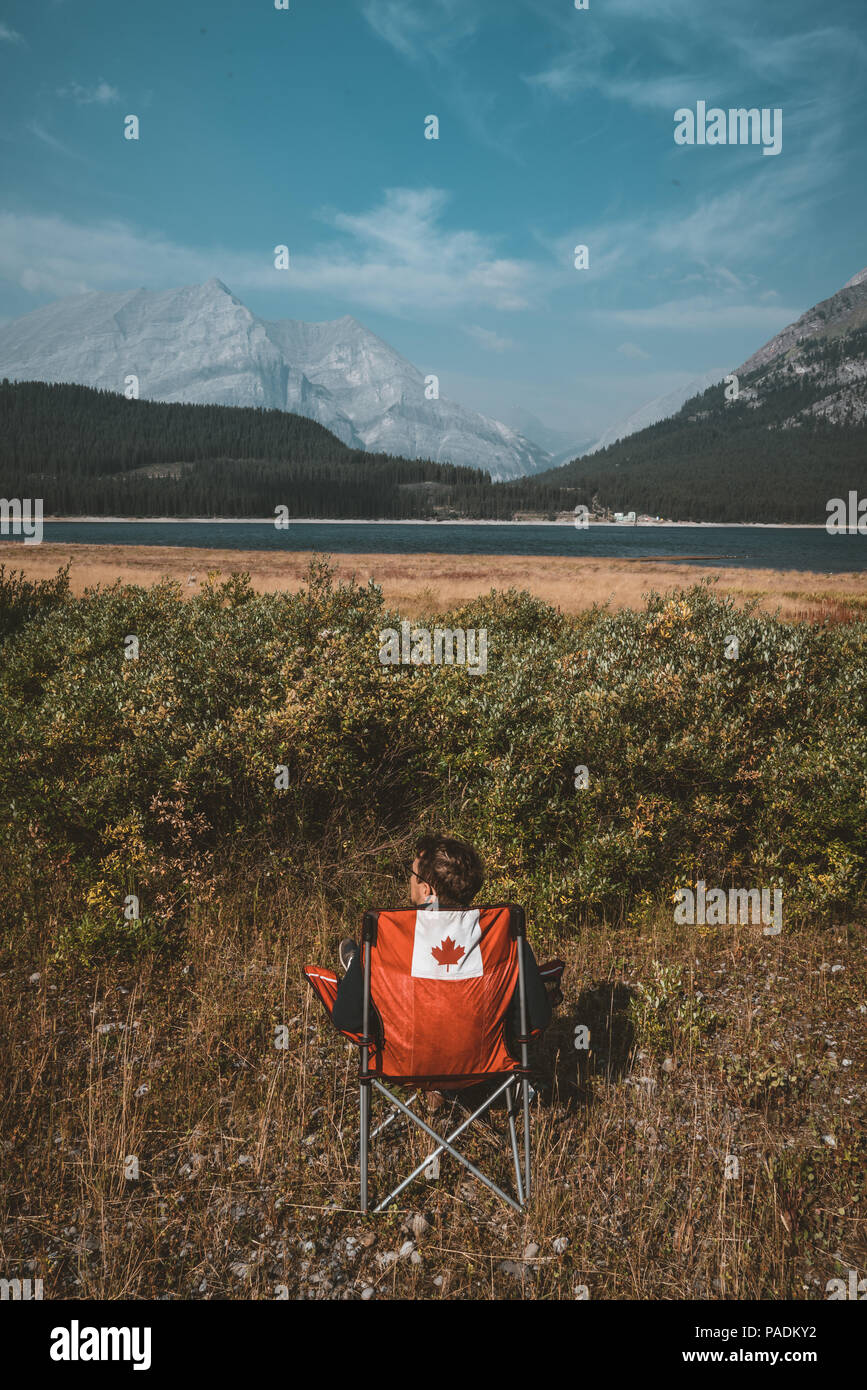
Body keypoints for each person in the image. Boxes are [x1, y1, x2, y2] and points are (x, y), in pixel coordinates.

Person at [333, 834, 552, 1055]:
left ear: (427, 889)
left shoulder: (389, 940)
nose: (409, 880)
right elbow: (537, 1017)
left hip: (405, 1061)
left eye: (412, 874)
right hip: (484, 1061)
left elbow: (347, 1017)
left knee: (360, 970)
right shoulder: (502, 938)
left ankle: (353, 963)